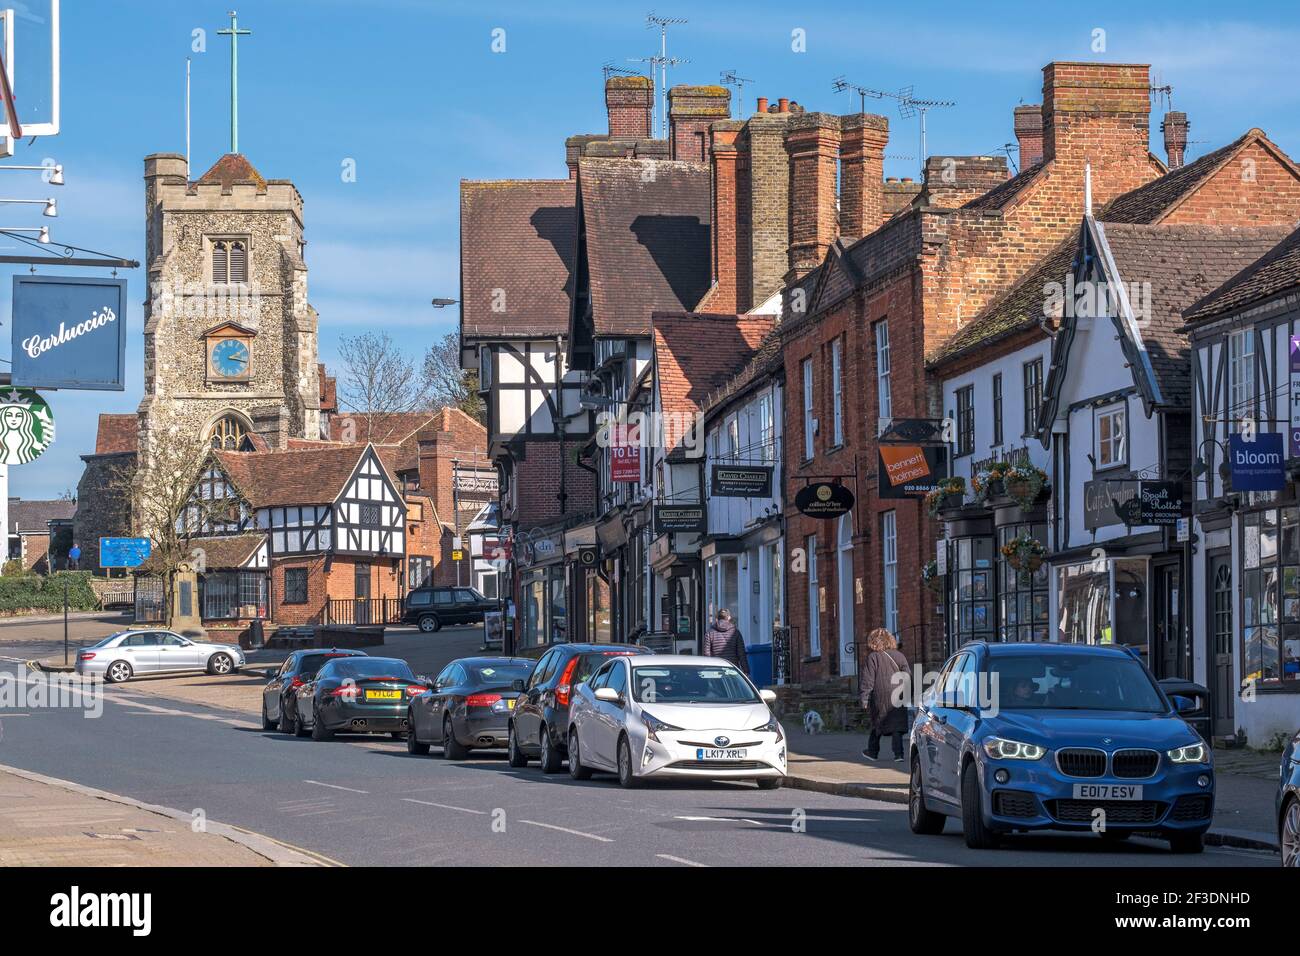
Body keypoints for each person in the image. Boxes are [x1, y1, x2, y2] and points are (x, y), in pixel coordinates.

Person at [859, 627, 910, 762]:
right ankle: (898, 755)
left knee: (877, 724)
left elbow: (868, 679)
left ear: (873, 641)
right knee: (897, 726)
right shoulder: (900, 656)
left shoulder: (873, 657)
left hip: (880, 695)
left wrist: (865, 698)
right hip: (898, 694)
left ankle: (872, 752)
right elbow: (907, 676)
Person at [703, 608, 749, 674]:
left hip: (716, 669)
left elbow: (706, 654)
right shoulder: (735, 632)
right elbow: (741, 654)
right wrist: (746, 670)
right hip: (732, 668)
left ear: (717, 618)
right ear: (729, 618)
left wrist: (708, 670)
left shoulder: (710, 632)